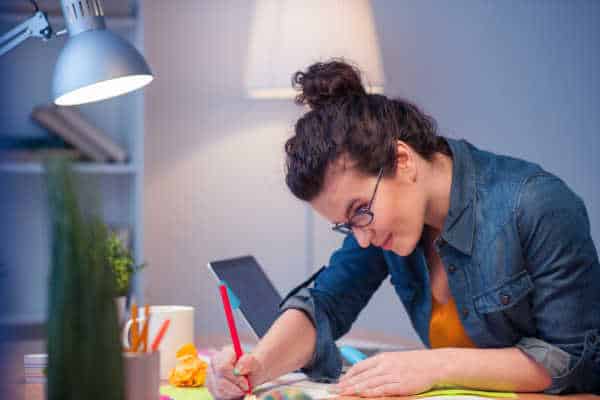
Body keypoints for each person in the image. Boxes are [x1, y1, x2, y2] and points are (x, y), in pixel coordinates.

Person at [206, 60, 600, 397]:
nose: (362, 238)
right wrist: (256, 366)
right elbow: (325, 304)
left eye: (360, 210)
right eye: (346, 225)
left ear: (402, 160)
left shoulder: (536, 204)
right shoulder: (385, 222)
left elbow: (572, 359)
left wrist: (435, 366)